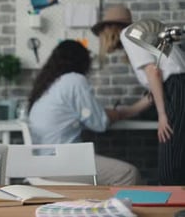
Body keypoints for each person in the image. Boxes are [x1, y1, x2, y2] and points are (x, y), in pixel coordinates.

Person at [27, 40, 152, 185]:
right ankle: (115, 208)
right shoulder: (74, 80)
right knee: (129, 174)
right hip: (59, 163)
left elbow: (86, 115)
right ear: (82, 61)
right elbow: (100, 123)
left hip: (42, 163)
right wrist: (128, 110)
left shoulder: (49, 85)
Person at [120, 19, 185, 185]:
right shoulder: (146, 32)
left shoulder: (127, 34)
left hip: (176, 88)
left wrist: (162, 115)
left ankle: (174, 209)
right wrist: (127, 112)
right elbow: (155, 88)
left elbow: (153, 72)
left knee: (170, 166)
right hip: (178, 86)